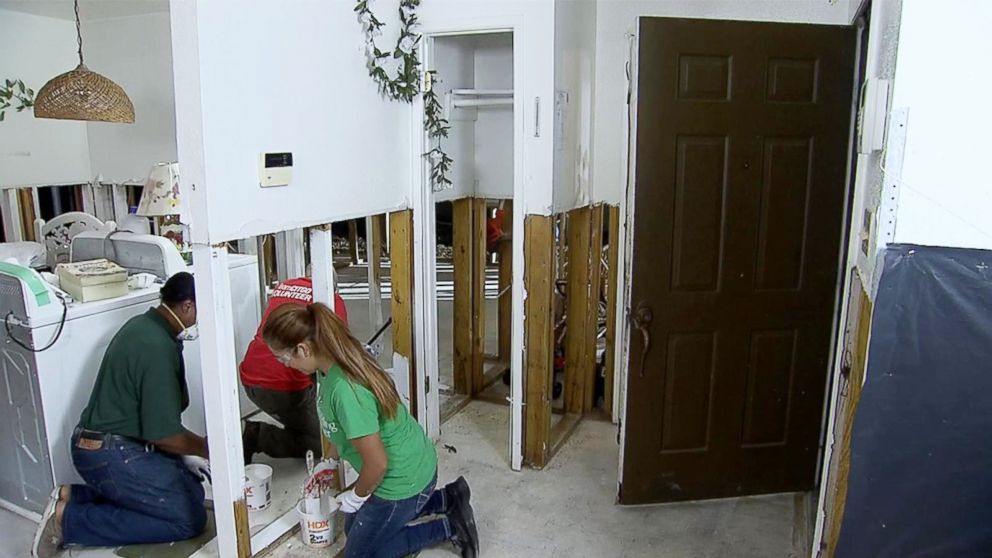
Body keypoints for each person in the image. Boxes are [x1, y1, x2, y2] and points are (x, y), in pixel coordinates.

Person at [262, 302, 480, 558]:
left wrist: (357, 495)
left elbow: (377, 464)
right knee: (353, 528)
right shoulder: (330, 365)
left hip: (402, 481)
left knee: (361, 554)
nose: (285, 365)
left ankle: (450, 526)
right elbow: (337, 427)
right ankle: (448, 498)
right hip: (410, 468)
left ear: (303, 348)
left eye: (283, 358)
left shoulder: (345, 390)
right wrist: (329, 461)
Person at [32, 272, 211, 557]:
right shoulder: (156, 346)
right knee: (188, 518)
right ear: (187, 306)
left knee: (192, 491)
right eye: (205, 308)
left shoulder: (146, 325)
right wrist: (204, 448)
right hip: (109, 451)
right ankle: (67, 521)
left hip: (112, 443)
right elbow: (162, 434)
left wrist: (184, 453)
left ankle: (73, 495)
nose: (204, 319)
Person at [240, 274, 349, 462]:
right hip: (284, 390)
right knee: (332, 439)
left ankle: (299, 422)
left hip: (249, 377)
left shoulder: (286, 285)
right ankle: (260, 436)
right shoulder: (333, 302)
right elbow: (338, 354)